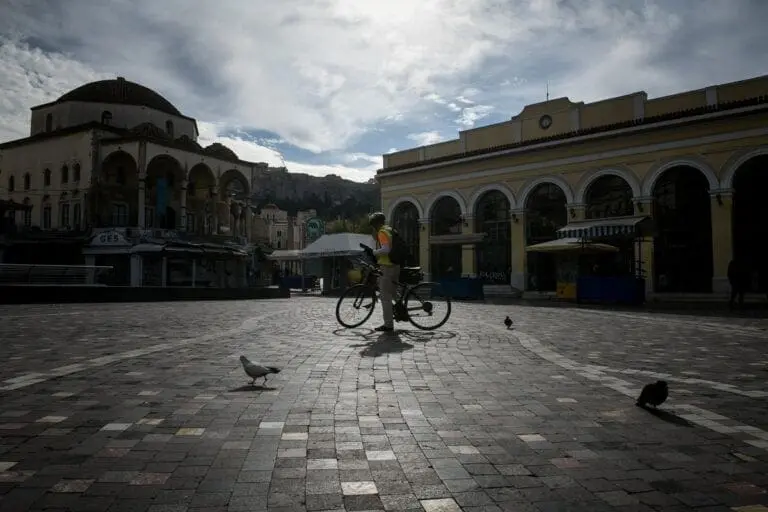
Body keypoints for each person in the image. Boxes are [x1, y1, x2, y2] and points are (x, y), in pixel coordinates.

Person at [369, 211, 399, 332]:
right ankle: (402, 311)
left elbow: (386, 250)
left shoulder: (382, 232)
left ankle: (388, 325)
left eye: (373, 225)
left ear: (376, 224)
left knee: (385, 297)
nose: (373, 228)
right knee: (393, 292)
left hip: (387, 267)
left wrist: (374, 252)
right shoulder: (390, 230)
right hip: (396, 265)